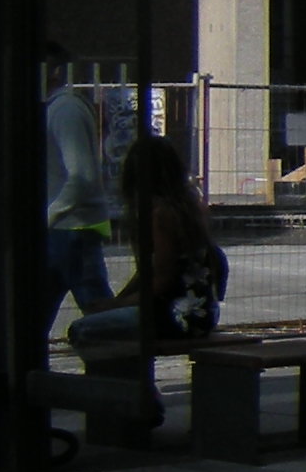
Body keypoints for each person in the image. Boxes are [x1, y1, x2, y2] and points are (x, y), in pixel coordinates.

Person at [68, 136, 228, 349]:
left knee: (82, 330)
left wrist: (116, 304)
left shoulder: (160, 215)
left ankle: (122, 381)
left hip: (176, 315)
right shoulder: (190, 207)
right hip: (203, 312)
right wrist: (116, 304)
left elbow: (161, 280)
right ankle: (126, 379)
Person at [40, 44, 116, 353]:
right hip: (67, 229)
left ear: (55, 71)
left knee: (99, 312)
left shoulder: (64, 109)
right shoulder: (57, 107)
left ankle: (120, 378)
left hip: (72, 230)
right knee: (93, 307)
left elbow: (82, 175)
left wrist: (48, 216)